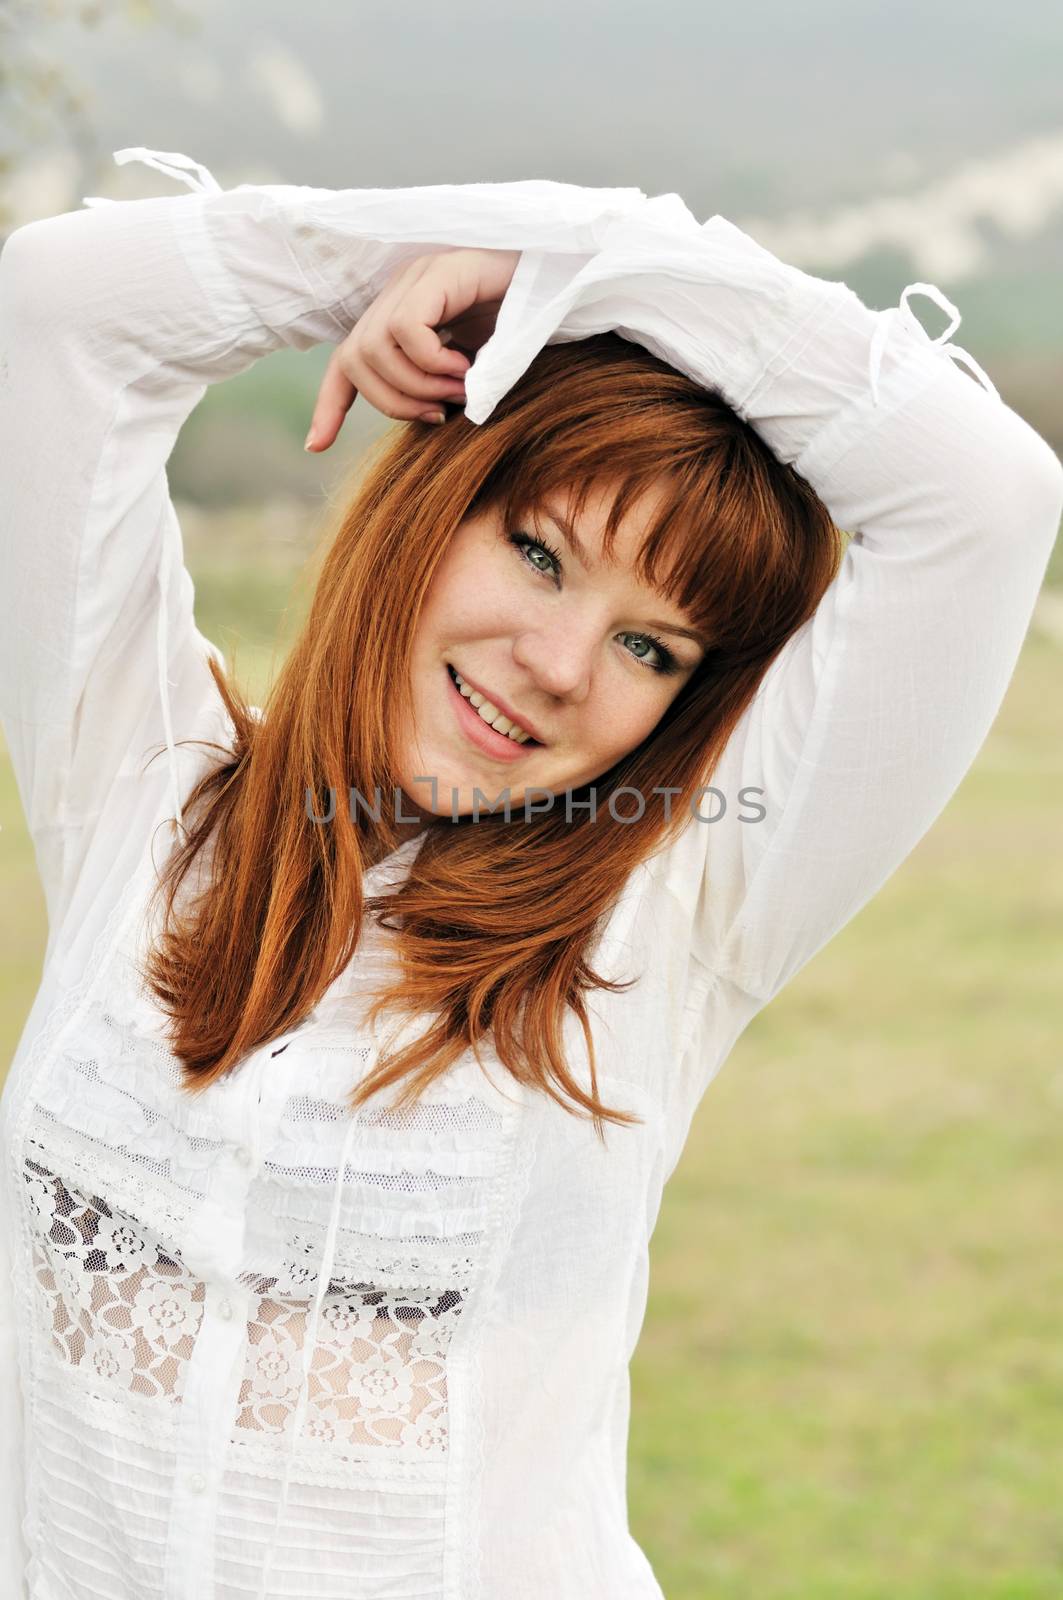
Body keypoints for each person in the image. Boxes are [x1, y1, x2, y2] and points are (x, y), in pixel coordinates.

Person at [0, 143, 1058, 1600]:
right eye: (542, 553)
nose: (559, 668)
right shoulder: (136, 786)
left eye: (651, 648)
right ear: (433, 499)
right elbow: (59, 304)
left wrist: (565, 263)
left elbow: (987, 496)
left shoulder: (677, 920)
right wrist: (425, 263)